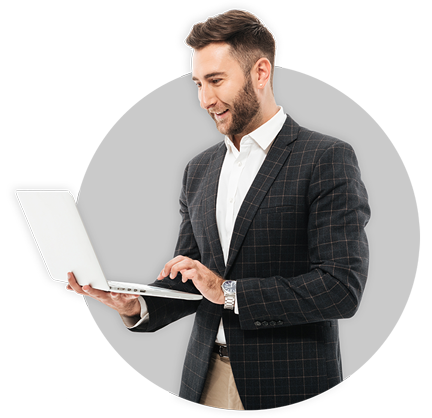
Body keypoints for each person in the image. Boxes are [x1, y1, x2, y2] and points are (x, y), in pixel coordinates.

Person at [67, 9, 370, 411]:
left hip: (290, 384)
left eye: (215, 81)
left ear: (261, 73)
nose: (205, 99)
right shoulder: (199, 170)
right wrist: (137, 305)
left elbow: (341, 288)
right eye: (197, 84)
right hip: (203, 378)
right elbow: (192, 278)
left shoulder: (326, 158)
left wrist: (229, 293)